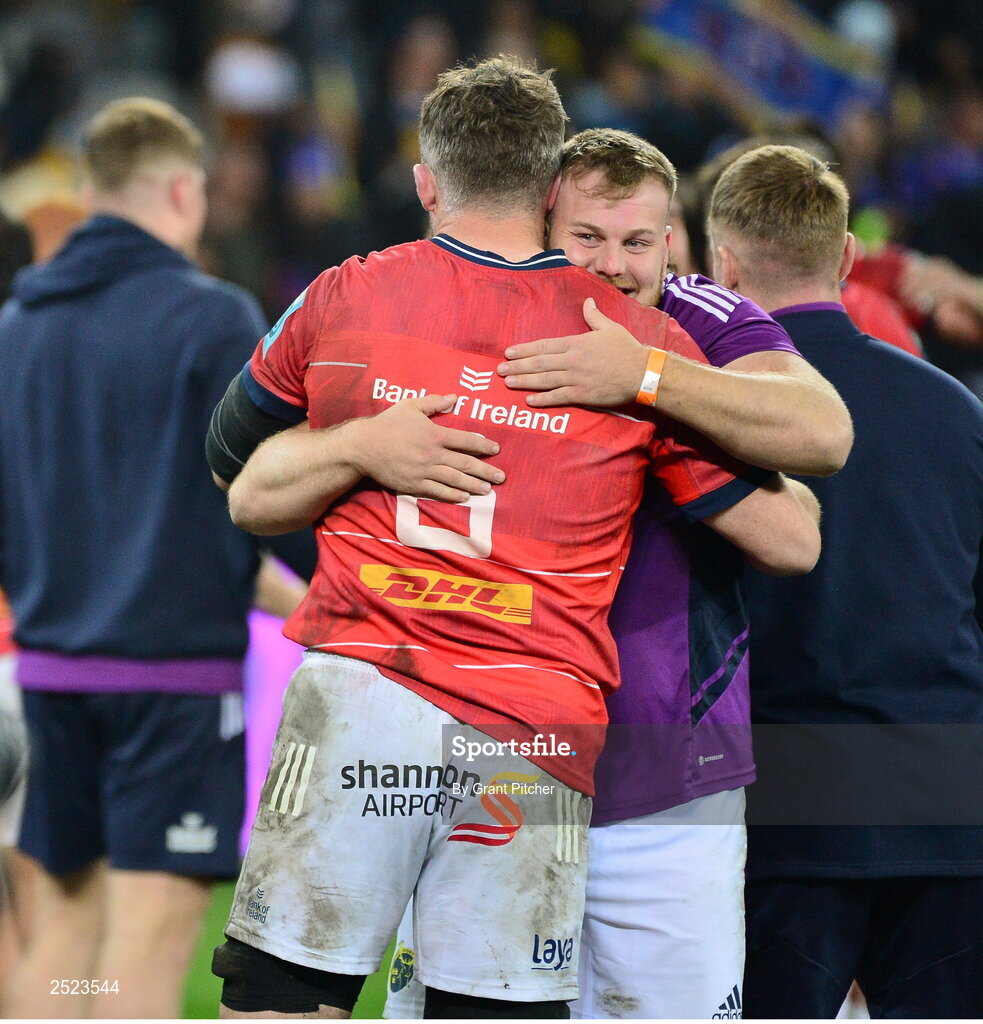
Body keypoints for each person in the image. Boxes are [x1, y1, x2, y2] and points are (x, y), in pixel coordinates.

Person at [206, 57, 820, 1019]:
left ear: (423, 181)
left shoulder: (345, 295)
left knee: (285, 1001)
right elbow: (791, 527)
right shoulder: (623, 341)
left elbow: (231, 468)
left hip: (366, 688)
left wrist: (359, 442)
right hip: (536, 724)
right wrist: (656, 384)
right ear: (547, 193)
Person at [385, 127, 853, 1020]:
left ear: (670, 243)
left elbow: (820, 436)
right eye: (587, 238)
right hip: (496, 759)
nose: (614, 265)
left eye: (637, 241)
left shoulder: (703, 319)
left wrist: (641, 375)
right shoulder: (464, 314)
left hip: (668, 776)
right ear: (542, 226)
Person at [0, 97, 313, 1019]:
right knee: (144, 950)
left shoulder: (14, 332)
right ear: (184, 190)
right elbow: (258, 493)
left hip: (49, 674)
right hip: (170, 687)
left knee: (58, 946)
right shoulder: (212, 318)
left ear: (93, 194)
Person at [706, 143, 983, 1019]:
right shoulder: (955, 408)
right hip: (948, 800)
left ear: (721, 265)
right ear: (848, 259)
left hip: (789, 805)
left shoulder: (710, 413)